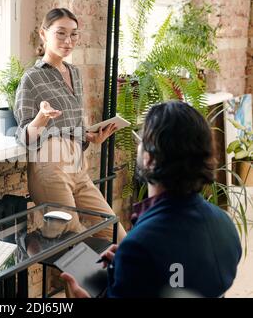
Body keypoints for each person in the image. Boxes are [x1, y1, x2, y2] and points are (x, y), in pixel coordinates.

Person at [61, 101, 242, 298]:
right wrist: (129, 267)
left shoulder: (140, 246)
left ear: (149, 158)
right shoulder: (226, 226)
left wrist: (134, 260)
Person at [14, 8, 126, 243]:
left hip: (78, 168)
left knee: (116, 235)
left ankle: (108, 280)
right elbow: (24, 136)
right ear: (44, 34)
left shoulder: (74, 72)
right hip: (50, 168)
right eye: (61, 33)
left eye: (74, 34)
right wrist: (42, 118)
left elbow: (72, 127)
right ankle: (75, 281)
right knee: (73, 241)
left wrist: (91, 137)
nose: (68, 40)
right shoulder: (32, 79)